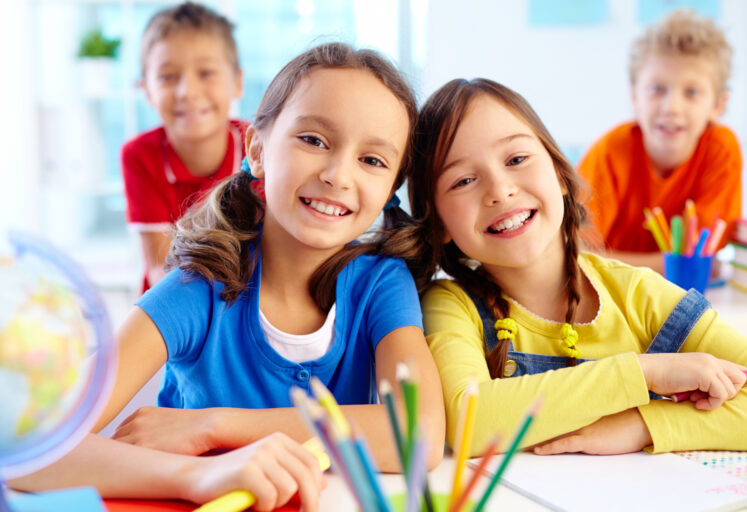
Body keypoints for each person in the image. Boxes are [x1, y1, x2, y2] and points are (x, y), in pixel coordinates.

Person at [12, 42, 444, 507]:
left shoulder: (380, 284)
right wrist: (197, 474)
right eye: (314, 140)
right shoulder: (195, 290)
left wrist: (212, 426)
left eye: (373, 160)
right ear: (257, 149)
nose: (339, 175)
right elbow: (30, 447)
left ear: (390, 188)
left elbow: (417, 434)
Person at [408, 77, 747, 458]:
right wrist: (644, 372)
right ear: (440, 223)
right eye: (463, 180)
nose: (500, 190)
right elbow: (471, 422)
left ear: (563, 177)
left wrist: (642, 425)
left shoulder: (638, 295)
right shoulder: (449, 305)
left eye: (516, 159)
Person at [578, 9, 741, 273]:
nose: (671, 107)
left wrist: (613, 263)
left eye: (692, 92)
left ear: (718, 104)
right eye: (657, 89)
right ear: (634, 97)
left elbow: (701, 259)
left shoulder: (721, 149)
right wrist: (676, 265)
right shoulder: (609, 151)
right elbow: (576, 254)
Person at [122, 2, 249, 292]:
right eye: (168, 77)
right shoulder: (139, 156)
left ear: (237, 83)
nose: (187, 92)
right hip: (172, 303)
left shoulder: (260, 147)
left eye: (206, 73)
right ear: (147, 91)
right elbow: (159, 267)